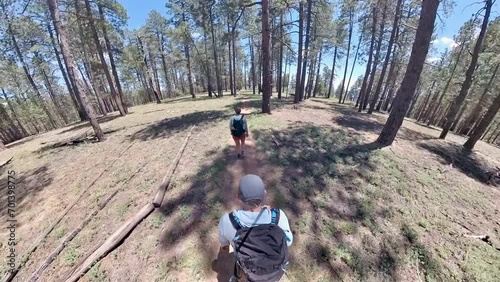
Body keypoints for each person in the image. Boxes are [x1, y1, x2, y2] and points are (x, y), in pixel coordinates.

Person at [218, 174, 293, 282]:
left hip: (248, 273)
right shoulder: (278, 217)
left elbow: (224, 244)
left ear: (238, 196)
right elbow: (288, 241)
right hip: (273, 274)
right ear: (264, 194)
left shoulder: (228, 221)